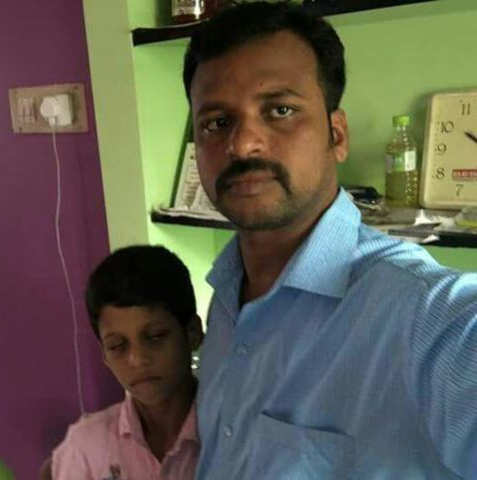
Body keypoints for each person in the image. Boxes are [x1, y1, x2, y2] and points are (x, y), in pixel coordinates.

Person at [183, 2, 477, 479]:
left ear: (336, 135)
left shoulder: (421, 318)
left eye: (280, 110)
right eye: (217, 122)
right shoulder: (226, 296)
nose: (243, 143)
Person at [44, 245, 203, 480]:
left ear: (192, 333)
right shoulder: (86, 446)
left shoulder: (231, 435)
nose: (137, 360)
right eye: (118, 345)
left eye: (156, 336)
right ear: (104, 354)